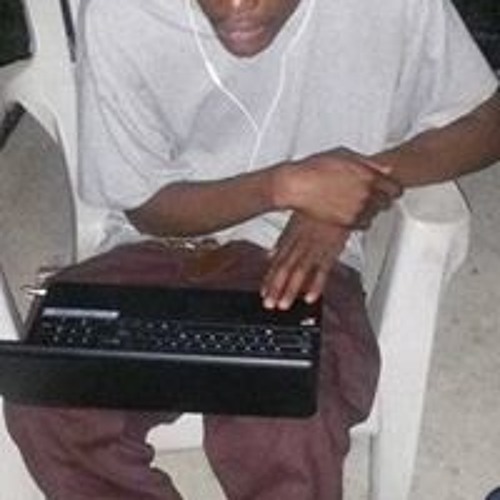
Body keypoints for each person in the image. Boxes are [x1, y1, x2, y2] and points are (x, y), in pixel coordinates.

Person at [5, 0, 500, 499]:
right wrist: (283, 187)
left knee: (289, 424)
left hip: (296, 260)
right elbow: (149, 210)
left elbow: (488, 121)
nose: (237, 5)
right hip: (152, 246)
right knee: (48, 400)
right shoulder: (123, 13)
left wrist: (350, 191)